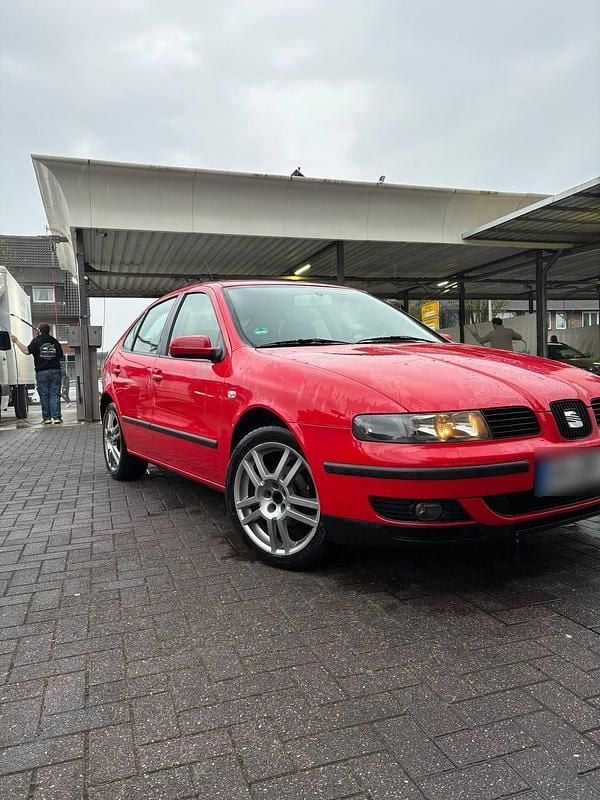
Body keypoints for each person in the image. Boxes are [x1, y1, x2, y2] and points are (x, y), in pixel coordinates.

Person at [11, 323, 64, 424]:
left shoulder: (36, 341)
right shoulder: (55, 341)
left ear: (39, 330)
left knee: (44, 395)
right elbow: (60, 355)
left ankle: (47, 419)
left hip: (42, 372)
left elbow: (26, 351)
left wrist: (16, 341)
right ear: (49, 330)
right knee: (55, 395)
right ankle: (57, 417)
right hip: (55, 371)